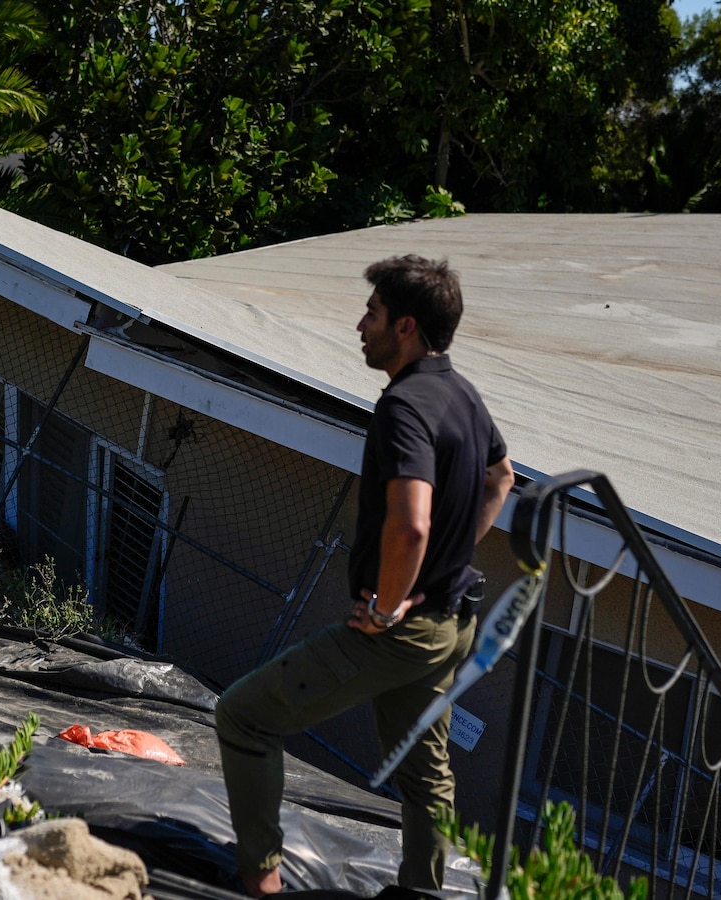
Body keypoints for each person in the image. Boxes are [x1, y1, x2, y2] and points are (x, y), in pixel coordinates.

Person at [215, 255, 515, 896]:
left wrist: (386, 604)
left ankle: (260, 885)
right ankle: (424, 891)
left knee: (244, 716)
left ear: (405, 326)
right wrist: (451, 559)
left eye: (372, 313)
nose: (360, 324)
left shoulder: (406, 407)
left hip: (402, 629)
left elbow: (410, 525)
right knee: (424, 769)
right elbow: (501, 478)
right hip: (454, 622)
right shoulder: (461, 392)